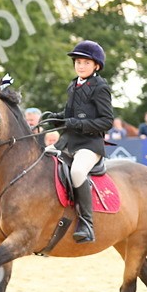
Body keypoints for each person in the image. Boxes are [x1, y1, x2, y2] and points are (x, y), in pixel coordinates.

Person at [41, 40, 114, 243]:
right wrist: (55, 117)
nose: (80, 66)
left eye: (85, 63)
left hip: (90, 145)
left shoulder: (100, 87)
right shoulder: (73, 84)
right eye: (78, 62)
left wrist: (79, 124)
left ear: (96, 65)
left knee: (78, 172)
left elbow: (106, 121)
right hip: (69, 141)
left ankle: (86, 223)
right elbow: (69, 114)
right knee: (43, 158)